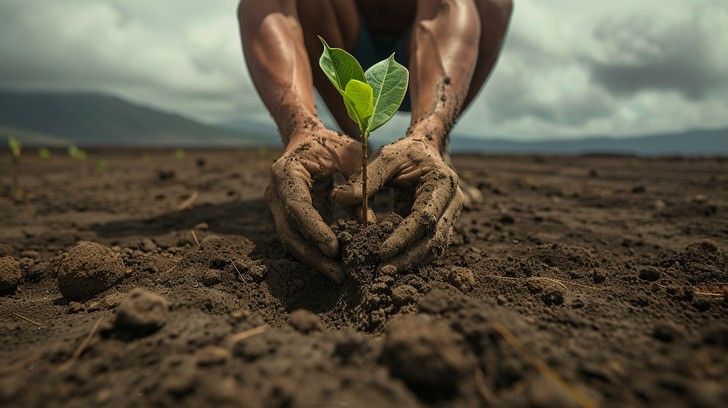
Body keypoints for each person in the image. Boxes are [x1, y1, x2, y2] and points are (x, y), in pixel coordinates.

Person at [238, 0, 513, 282]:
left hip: (428, 56)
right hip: (341, 45)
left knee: (494, 5)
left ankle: (433, 147)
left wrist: (428, 135)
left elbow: (446, 7)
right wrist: (300, 130)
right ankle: (349, 147)